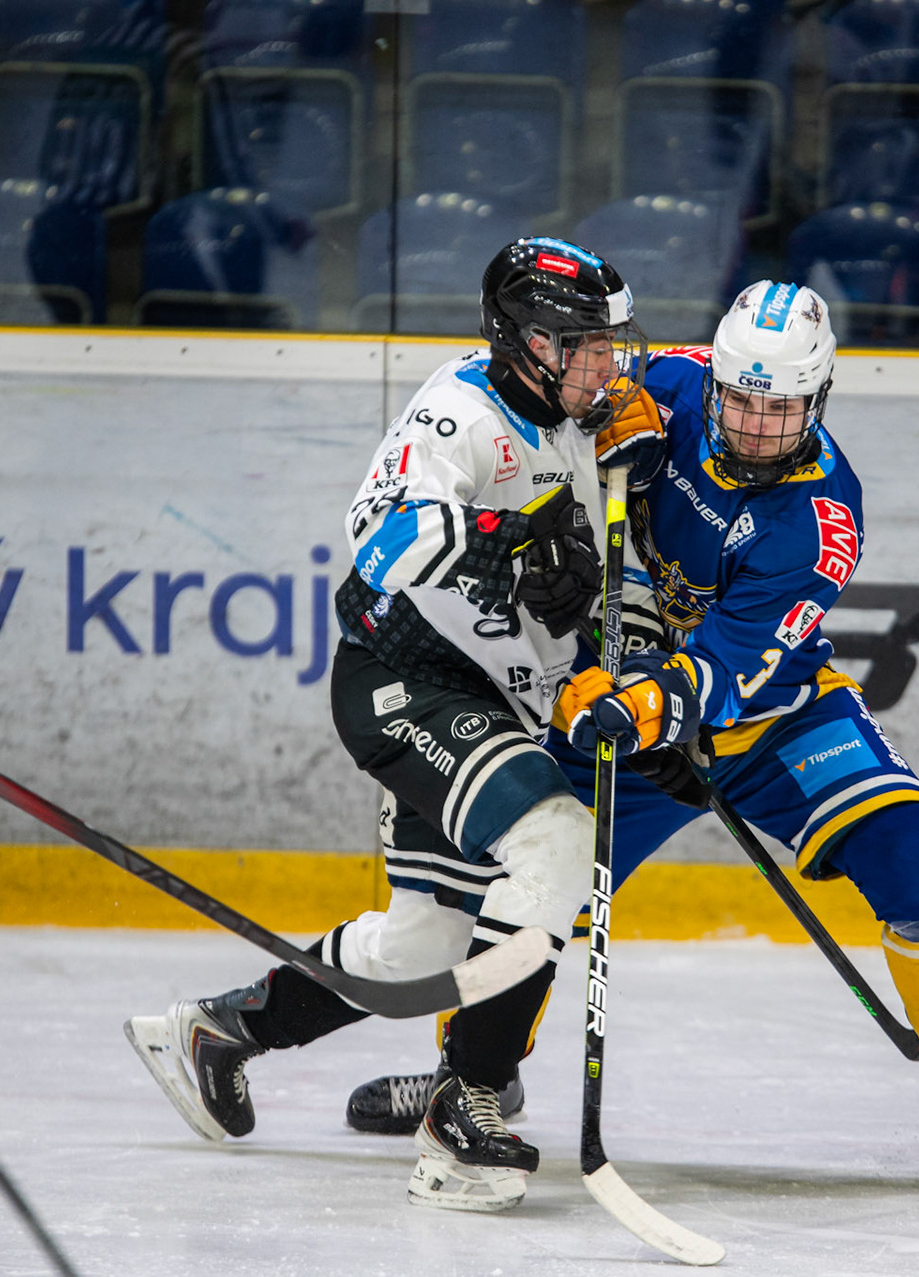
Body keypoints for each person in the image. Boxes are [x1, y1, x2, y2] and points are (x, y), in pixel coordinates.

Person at [346, 282, 919, 1189]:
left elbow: (728, 668)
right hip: (617, 701)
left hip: (768, 718)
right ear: (715, 377)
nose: (755, 425)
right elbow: (563, 392)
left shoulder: (822, 520)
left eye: (780, 408)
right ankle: (475, 1074)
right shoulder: (670, 380)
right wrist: (602, 419)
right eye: (741, 399)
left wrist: (650, 703)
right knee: (531, 879)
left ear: (819, 398)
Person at [126, 237, 660, 1212]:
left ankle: (217, 1031)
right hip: (407, 681)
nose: (605, 363)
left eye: (610, 344)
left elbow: (587, 599)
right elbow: (382, 536)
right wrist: (509, 542)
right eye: (584, 344)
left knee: (424, 945)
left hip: (496, 701)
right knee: (556, 839)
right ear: (526, 340)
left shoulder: (591, 420)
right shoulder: (460, 411)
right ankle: (466, 1109)